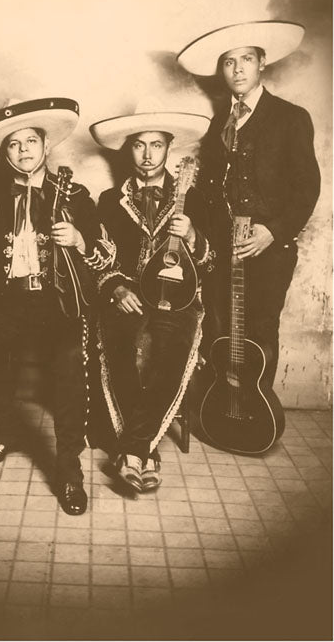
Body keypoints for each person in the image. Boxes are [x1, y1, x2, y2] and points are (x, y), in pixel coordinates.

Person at [0, 98, 115, 515]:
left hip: (59, 304)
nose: (23, 149)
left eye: (31, 140)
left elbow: (105, 255)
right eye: (14, 144)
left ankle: (68, 472)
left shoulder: (75, 196)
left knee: (69, 369)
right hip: (7, 301)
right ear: (5, 153)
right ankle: (5, 432)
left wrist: (80, 241)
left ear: (46, 146)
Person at [176, 21, 321, 402]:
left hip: (269, 250)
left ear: (262, 63)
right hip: (222, 251)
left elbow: (307, 188)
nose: (238, 69)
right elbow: (209, 191)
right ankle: (222, 411)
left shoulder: (290, 117)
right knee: (218, 328)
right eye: (229, 62)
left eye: (246, 59)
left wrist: (272, 231)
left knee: (259, 332)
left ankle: (254, 413)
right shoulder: (217, 125)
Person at [90, 108, 212, 492]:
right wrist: (116, 288)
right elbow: (99, 258)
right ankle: (145, 452)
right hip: (128, 293)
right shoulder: (110, 200)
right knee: (120, 342)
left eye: (156, 145)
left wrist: (192, 236)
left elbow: (212, 263)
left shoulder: (195, 198)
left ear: (169, 148)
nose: (147, 154)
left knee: (172, 349)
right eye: (139, 145)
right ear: (129, 150)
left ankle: (134, 450)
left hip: (179, 299)